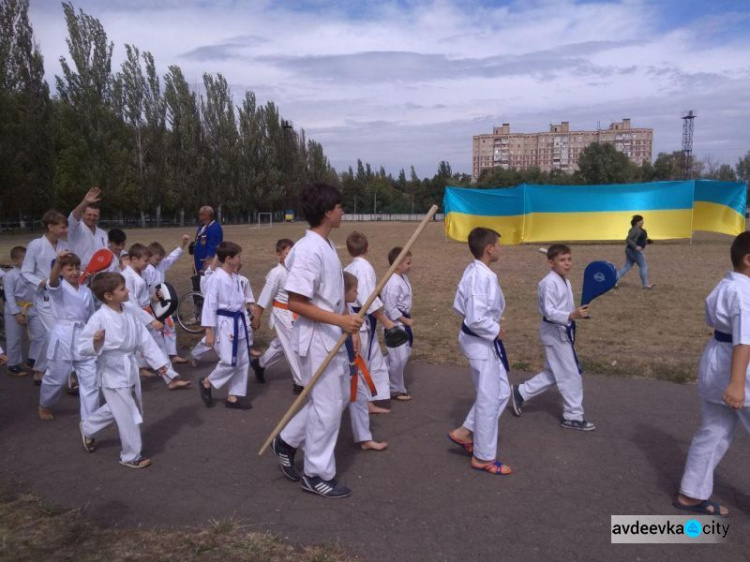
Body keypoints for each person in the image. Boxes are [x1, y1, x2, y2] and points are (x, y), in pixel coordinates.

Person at [269, 182, 363, 499]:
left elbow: (330, 298)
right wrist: (342, 321)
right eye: (339, 206)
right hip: (317, 340)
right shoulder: (308, 250)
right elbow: (295, 302)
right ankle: (316, 474)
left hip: (331, 335)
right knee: (326, 407)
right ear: (327, 211)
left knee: (334, 402)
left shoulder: (325, 245)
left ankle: (286, 441)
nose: (342, 211)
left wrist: (346, 322)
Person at [673, 231, 750, 517]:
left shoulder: (725, 285)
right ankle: (691, 493)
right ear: (748, 260)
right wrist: (737, 383)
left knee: (714, 431)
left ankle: (691, 494)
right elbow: (744, 340)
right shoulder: (745, 294)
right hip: (738, 369)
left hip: (716, 360)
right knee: (714, 431)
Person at [77, 272, 170, 469]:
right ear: (108, 296)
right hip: (111, 371)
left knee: (117, 408)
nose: (127, 291)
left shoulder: (128, 312)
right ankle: (130, 455)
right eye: (122, 289)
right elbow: (81, 347)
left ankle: (88, 427)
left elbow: (143, 338)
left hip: (128, 367)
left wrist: (160, 363)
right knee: (127, 413)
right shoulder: (98, 318)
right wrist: (94, 341)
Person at [508, 244, 594, 431]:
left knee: (555, 372)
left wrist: (577, 314)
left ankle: (521, 392)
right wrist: (571, 315)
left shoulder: (565, 281)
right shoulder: (548, 283)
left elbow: (565, 306)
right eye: (562, 260)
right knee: (571, 374)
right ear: (551, 262)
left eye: (569, 259)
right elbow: (549, 311)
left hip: (562, 332)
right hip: (554, 333)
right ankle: (573, 415)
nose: (567, 264)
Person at [448, 227, 512, 476]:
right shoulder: (479, 277)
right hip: (479, 342)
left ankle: (464, 432)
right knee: (488, 398)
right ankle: (483, 457)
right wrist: (495, 329)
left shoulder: (477, 270)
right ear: (489, 249)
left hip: (482, 341)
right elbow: (474, 318)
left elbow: (460, 306)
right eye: (498, 244)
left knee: (502, 391)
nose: (500, 248)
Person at [38, 251, 97, 421]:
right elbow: (53, 281)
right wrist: (57, 262)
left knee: (89, 377)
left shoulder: (86, 291)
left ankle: (90, 416)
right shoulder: (58, 288)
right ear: (62, 271)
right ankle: (44, 404)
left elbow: (91, 315)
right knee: (56, 377)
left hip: (83, 334)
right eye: (69, 269)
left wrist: (94, 335)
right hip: (63, 335)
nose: (74, 272)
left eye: (77, 268)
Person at [122, 243, 190, 390]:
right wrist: (151, 321)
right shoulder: (126, 276)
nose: (147, 264)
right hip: (134, 318)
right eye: (145, 261)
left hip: (147, 313)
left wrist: (153, 298)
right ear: (134, 259)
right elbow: (130, 303)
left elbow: (146, 293)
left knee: (158, 347)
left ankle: (171, 378)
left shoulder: (143, 273)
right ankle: (125, 383)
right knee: (128, 351)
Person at [343, 231, 397, 414]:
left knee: (376, 361)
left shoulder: (349, 267)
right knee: (363, 362)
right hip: (361, 321)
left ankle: (378, 398)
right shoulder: (364, 268)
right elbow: (367, 298)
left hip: (361, 319)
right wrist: (386, 321)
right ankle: (363, 403)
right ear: (368, 247)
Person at [198, 241, 253, 410]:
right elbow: (209, 305)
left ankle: (233, 397)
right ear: (228, 259)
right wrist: (209, 331)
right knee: (229, 361)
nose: (240, 259)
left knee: (243, 360)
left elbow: (240, 301)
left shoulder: (235, 277)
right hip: (224, 323)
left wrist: (248, 316)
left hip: (239, 321)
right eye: (238, 256)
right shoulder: (216, 278)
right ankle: (207, 382)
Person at [21, 210, 70, 385]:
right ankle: (62, 373)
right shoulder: (35, 245)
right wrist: (40, 282)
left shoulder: (64, 246)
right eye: (62, 227)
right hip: (43, 298)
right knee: (54, 333)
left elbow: (68, 270)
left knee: (50, 335)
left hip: (61, 296)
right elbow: (25, 271)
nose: (65, 230)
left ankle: (40, 368)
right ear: (50, 226)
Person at [251, 239, 304, 393]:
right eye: (286, 253)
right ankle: (299, 382)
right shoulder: (276, 273)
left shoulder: (295, 270)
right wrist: (257, 317)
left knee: (282, 344)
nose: (290, 256)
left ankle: (260, 364)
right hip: (283, 314)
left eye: (292, 253)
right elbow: (264, 297)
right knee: (292, 346)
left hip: (296, 313)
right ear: (279, 254)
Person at [343, 271, 388, 451]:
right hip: (335, 361)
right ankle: (292, 439)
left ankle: (364, 438)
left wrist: (354, 335)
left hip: (350, 363)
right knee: (327, 405)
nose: (357, 293)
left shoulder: (345, 308)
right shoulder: (333, 310)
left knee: (359, 394)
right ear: (344, 291)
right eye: (354, 290)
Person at [144, 237, 191, 364]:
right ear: (149, 256)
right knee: (155, 331)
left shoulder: (161, 264)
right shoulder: (145, 270)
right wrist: (150, 297)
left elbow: (172, 257)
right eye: (157, 259)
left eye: (160, 259)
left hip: (163, 301)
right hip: (150, 304)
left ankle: (172, 354)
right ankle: (158, 359)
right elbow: (142, 289)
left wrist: (182, 245)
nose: (159, 261)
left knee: (170, 326)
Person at [3, 246, 42, 376]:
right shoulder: (9, 276)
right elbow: (8, 296)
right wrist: (16, 313)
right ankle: (12, 364)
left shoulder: (33, 274)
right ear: (15, 261)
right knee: (14, 338)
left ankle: (32, 358)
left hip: (33, 307)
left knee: (40, 335)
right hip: (15, 309)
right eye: (24, 259)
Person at [381, 247, 414, 401]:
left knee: (404, 353)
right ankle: (395, 389)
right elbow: (390, 307)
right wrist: (404, 320)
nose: (410, 265)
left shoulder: (402, 278)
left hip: (402, 321)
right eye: (407, 263)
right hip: (393, 324)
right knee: (399, 358)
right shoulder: (392, 282)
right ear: (397, 264)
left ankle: (379, 369)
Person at [67, 187, 108, 271]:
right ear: (83, 214)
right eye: (89, 214)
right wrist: (85, 202)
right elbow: (72, 218)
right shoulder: (76, 228)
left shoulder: (102, 234)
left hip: (99, 275)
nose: (92, 217)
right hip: (79, 273)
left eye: (95, 215)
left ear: (99, 217)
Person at [617, 214, 655, 289]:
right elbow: (628, 239)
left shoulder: (638, 230)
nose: (643, 222)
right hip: (634, 251)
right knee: (643, 266)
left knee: (627, 266)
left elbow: (642, 239)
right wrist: (635, 247)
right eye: (641, 220)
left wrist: (648, 241)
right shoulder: (636, 230)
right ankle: (645, 284)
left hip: (630, 250)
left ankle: (614, 280)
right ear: (637, 222)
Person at [193, 206, 223, 277]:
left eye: (201, 214)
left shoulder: (215, 228)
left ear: (207, 215)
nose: (199, 216)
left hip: (206, 265)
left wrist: (207, 266)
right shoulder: (202, 227)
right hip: (198, 262)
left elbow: (213, 248)